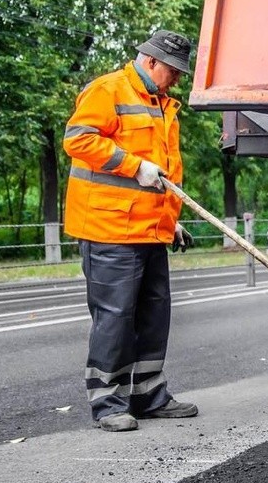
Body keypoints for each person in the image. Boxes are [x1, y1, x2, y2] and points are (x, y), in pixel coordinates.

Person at [63, 30, 198, 432]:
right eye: (172, 70)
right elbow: (78, 139)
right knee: (116, 318)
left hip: (148, 230)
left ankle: (147, 395)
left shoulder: (161, 104)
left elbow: (165, 176)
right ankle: (108, 403)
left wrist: (170, 223)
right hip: (108, 230)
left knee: (154, 315)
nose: (177, 78)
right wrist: (133, 164)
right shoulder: (109, 89)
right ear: (150, 60)